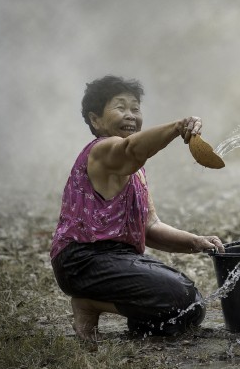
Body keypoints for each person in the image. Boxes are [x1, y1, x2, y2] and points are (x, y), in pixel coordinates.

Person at [50, 75, 225, 348]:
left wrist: (196, 241)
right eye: (120, 107)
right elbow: (132, 149)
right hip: (83, 262)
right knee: (179, 297)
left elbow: (150, 227)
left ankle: (136, 317)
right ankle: (88, 302)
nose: (131, 115)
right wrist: (177, 127)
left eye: (135, 108)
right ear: (96, 120)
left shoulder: (134, 168)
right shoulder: (103, 149)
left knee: (191, 308)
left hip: (116, 259)